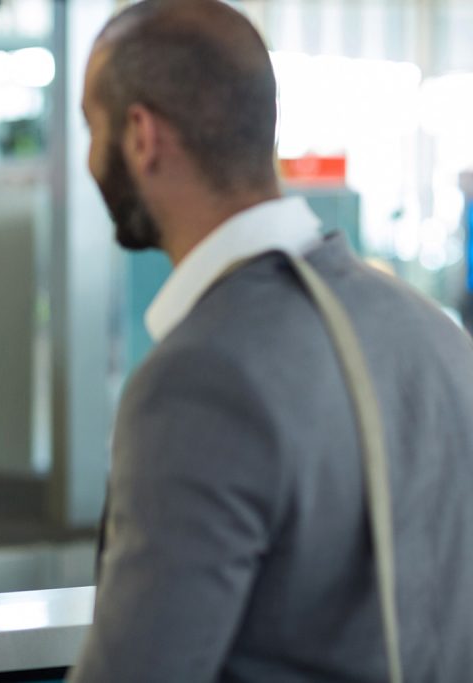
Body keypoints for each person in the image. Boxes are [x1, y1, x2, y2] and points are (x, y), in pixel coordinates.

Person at [71, 1, 473, 680]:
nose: (89, 156)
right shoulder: (430, 330)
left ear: (141, 136)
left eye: (92, 127)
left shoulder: (201, 375)